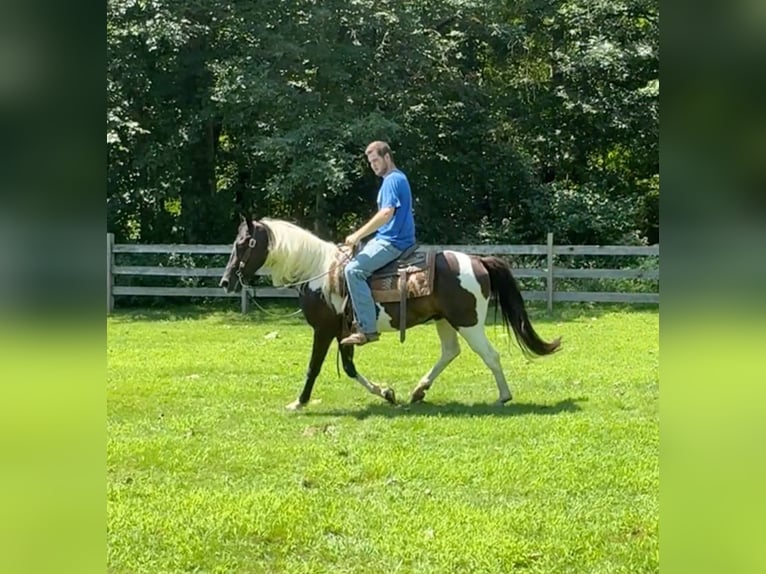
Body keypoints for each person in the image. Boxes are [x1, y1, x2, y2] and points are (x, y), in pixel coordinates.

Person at [340, 141, 416, 346]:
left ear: (387, 157)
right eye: (370, 162)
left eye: (376, 160)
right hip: (389, 238)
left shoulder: (392, 180)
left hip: (392, 242)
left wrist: (356, 235)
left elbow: (386, 213)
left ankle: (367, 328)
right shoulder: (397, 179)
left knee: (353, 271)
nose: (373, 165)